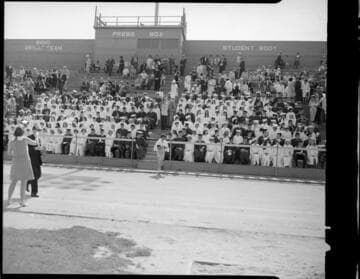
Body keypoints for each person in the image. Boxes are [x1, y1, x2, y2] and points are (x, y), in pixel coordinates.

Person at [7, 126, 38, 207]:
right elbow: (35, 143)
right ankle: (22, 201)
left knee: (13, 182)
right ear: (23, 132)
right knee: (23, 183)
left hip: (16, 162)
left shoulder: (12, 141)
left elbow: (9, 153)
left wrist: (16, 155)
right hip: (25, 162)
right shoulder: (25, 139)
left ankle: (9, 199)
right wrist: (36, 136)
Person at [26, 126, 43, 198]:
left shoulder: (39, 138)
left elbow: (39, 147)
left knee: (39, 175)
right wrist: (36, 148)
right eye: (36, 130)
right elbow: (28, 149)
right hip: (31, 159)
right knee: (35, 176)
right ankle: (34, 192)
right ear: (33, 130)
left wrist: (41, 150)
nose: (37, 131)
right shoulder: (28, 137)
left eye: (38, 130)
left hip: (37, 159)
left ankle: (28, 182)